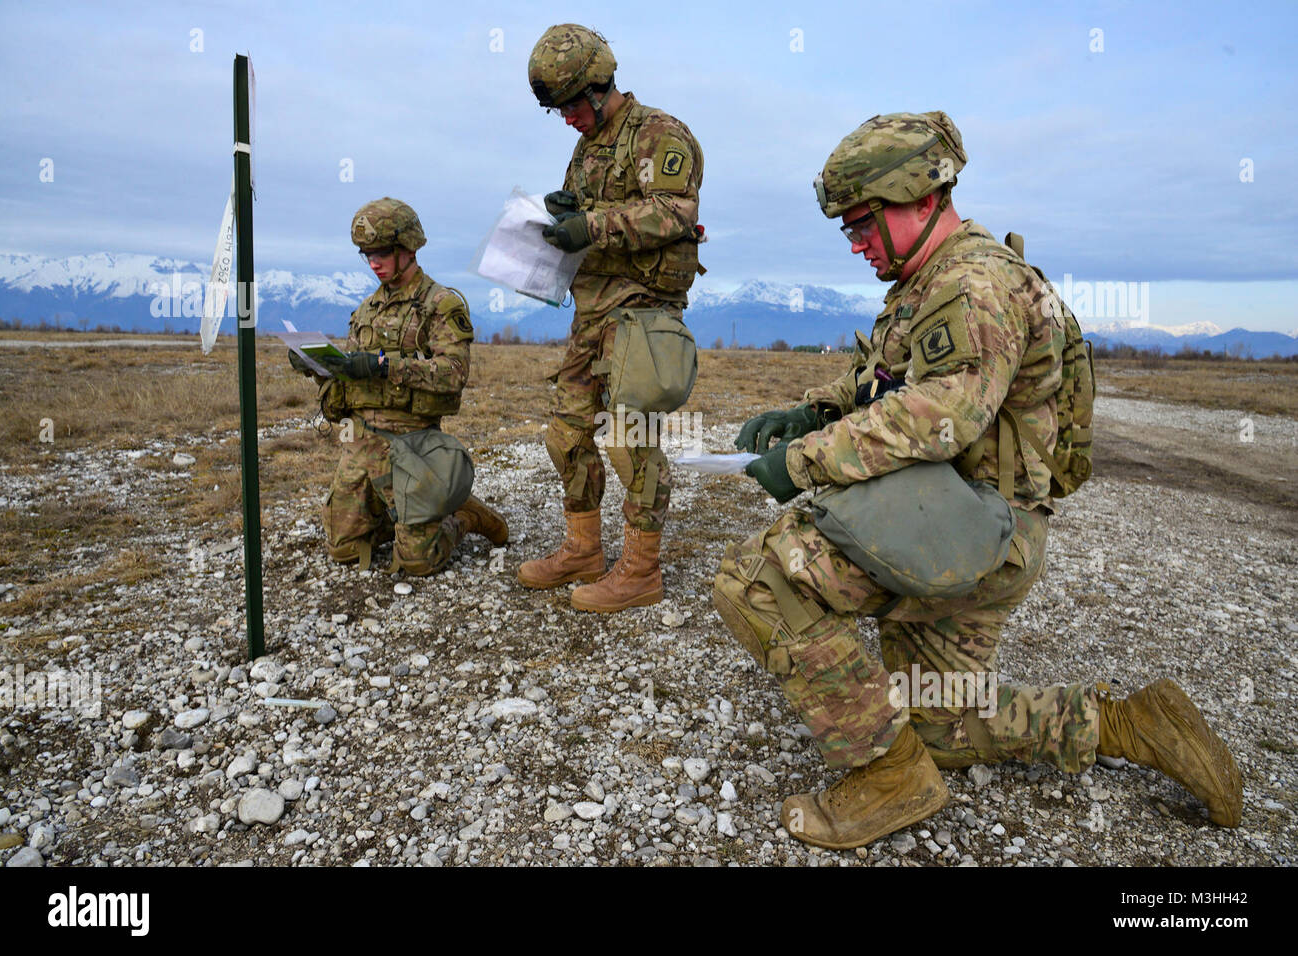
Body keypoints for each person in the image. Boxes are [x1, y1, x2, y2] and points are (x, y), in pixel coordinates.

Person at [717, 112, 1242, 850]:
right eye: (848, 228)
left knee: (756, 579)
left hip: (968, 533)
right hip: (970, 527)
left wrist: (801, 462)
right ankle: (1128, 724)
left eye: (864, 222)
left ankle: (889, 778)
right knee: (942, 723)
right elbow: (890, 379)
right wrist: (810, 411)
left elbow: (942, 415)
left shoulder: (971, 287)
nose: (857, 241)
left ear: (920, 197)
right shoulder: (932, 279)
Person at [517, 23, 705, 613]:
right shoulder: (586, 147)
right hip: (592, 312)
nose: (567, 118)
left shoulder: (659, 134)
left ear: (599, 86)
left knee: (630, 442)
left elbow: (674, 211)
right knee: (565, 434)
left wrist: (591, 224)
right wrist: (569, 212)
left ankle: (642, 570)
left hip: (641, 312)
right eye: (559, 111)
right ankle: (583, 549)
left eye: (571, 105)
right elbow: (598, 215)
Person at [290, 197, 507, 575]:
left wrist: (384, 367)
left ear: (408, 247)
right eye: (366, 254)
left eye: (381, 252)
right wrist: (318, 366)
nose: (373, 262)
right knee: (343, 551)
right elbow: (353, 371)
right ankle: (400, 517)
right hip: (360, 446)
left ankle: (463, 516)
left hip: (412, 446)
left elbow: (453, 372)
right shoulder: (366, 309)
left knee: (418, 562)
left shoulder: (440, 304)